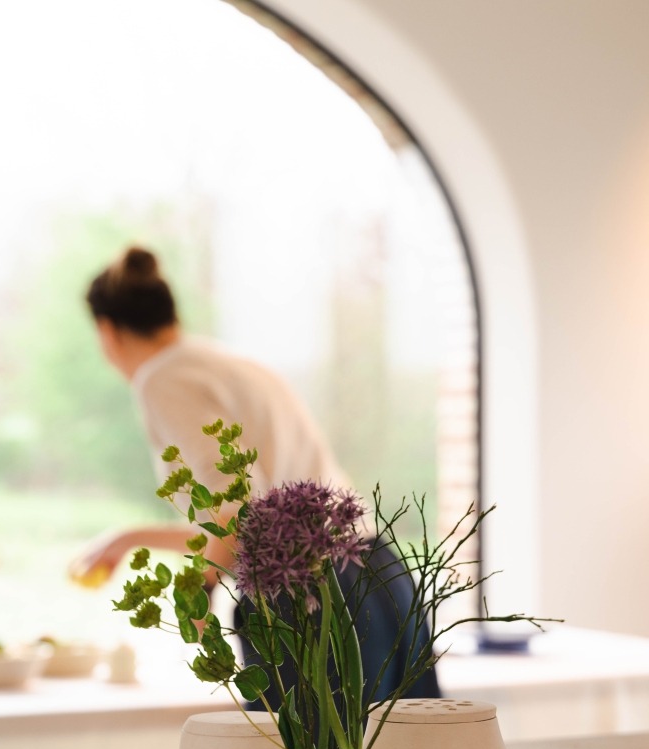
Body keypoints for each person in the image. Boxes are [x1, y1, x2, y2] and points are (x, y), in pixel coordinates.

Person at [76, 245, 440, 702]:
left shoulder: (161, 377)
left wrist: (200, 589)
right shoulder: (233, 365)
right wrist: (128, 539)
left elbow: (234, 508)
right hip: (377, 575)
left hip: (307, 597)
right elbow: (247, 516)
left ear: (107, 331)